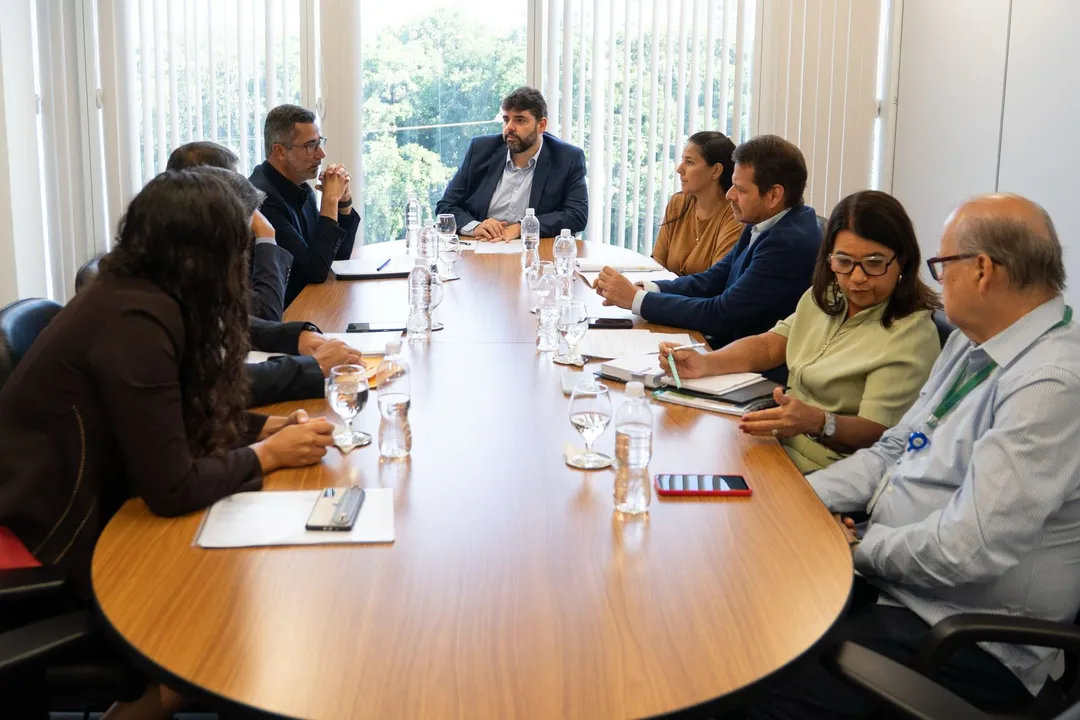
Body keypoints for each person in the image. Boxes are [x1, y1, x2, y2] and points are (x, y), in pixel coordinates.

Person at [0, 169, 337, 719]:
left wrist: (263, 429)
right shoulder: (134, 319)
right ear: (206, 250)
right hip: (50, 524)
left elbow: (172, 409)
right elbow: (172, 485)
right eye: (238, 248)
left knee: (238, 607)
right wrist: (268, 455)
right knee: (216, 628)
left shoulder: (143, 293)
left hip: (88, 490)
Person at [733, 193, 1080, 718]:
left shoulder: (1049, 383)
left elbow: (969, 548)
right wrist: (795, 504)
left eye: (943, 266)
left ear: (981, 270)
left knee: (742, 675)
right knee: (732, 608)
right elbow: (897, 447)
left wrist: (854, 548)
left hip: (960, 635)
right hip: (894, 584)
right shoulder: (977, 342)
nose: (937, 281)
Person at [661, 191, 941, 474]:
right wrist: (706, 363)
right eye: (843, 262)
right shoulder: (828, 296)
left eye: (874, 263)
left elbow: (877, 433)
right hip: (775, 443)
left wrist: (819, 422)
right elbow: (771, 346)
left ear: (903, 260)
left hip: (826, 469)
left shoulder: (911, 334)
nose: (857, 277)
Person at [167, 145, 363, 406]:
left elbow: (225, 321)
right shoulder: (184, 261)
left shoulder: (301, 192)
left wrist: (296, 337)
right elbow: (212, 382)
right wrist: (266, 235)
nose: (322, 154)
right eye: (233, 187)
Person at [595, 134, 821, 347]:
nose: (730, 195)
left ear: (773, 195)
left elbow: (722, 314)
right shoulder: (764, 219)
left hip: (751, 367)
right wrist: (648, 289)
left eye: (740, 189)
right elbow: (714, 279)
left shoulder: (787, 243)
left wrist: (637, 300)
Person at [436, 86, 588, 240]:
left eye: (520, 120)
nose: (509, 128)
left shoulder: (567, 158)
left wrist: (523, 227)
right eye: (506, 119)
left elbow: (576, 216)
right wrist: (475, 226)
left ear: (541, 125)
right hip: (483, 246)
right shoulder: (480, 150)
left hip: (533, 250)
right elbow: (446, 207)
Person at [249, 104, 359, 308]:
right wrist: (329, 201)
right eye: (311, 145)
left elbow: (336, 257)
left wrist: (343, 203)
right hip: (282, 317)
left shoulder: (300, 187)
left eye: (319, 143)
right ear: (280, 151)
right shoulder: (263, 200)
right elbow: (314, 272)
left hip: (308, 305)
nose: (321, 154)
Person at [167, 141, 291, 322]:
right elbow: (265, 314)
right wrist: (266, 234)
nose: (242, 186)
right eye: (234, 178)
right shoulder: (188, 252)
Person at [651, 131, 745, 275]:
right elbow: (656, 266)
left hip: (699, 297)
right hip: (664, 294)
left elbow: (714, 282)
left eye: (689, 162)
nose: (679, 169)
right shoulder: (678, 203)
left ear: (716, 170)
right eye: (682, 160)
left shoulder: (734, 214)